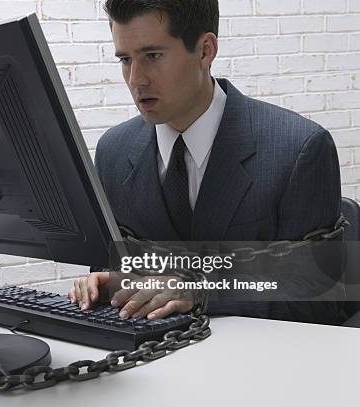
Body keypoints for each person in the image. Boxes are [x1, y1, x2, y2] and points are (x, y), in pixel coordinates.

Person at [68, 0, 343, 324]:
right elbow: (115, 266)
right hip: (146, 366)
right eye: (125, 60)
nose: (136, 79)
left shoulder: (299, 149)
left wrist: (201, 290)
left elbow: (322, 296)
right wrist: (111, 281)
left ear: (205, 50)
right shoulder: (113, 152)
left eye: (152, 56)